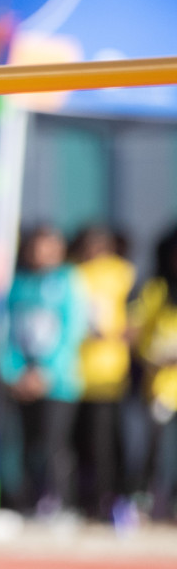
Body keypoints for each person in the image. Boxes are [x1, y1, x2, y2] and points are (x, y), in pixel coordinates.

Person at [0, 223, 89, 516]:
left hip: (58, 382)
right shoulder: (17, 285)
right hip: (21, 380)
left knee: (53, 444)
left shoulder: (68, 281)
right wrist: (14, 372)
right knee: (22, 444)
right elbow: (3, 331)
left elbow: (72, 331)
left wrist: (46, 372)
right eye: (36, 247)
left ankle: (59, 500)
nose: (41, 253)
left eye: (49, 247)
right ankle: (23, 501)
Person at [68, 223, 136, 522]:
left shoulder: (121, 273)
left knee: (107, 442)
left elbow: (136, 312)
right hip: (74, 372)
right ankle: (82, 499)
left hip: (109, 372)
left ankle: (111, 498)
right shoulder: (72, 275)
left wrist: (127, 332)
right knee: (76, 442)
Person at [132, 223, 177, 520]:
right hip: (161, 386)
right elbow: (135, 329)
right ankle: (145, 501)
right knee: (154, 448)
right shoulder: (156, 290)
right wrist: (152, 356)